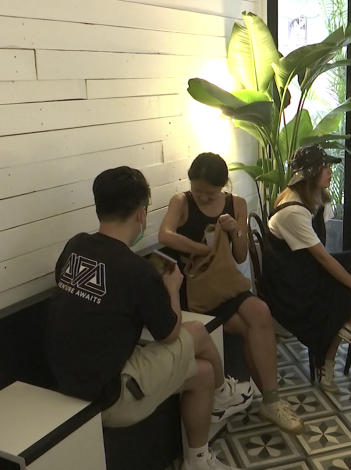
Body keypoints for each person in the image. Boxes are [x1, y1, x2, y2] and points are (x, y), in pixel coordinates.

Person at [46, 167, 245, 470]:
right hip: (111, 395)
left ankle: (198, 460)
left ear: (99, 207)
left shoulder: (75, 246)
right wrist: (172, 288)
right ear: (141, 213)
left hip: (66, 377)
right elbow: (170, 333)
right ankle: (225, 394)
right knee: (198, 333)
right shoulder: (135, 270)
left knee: (202, 372)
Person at [158, 152, 303, 433]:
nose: (201, 197)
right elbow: (165, 235)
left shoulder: (236, 203)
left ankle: (271, 399)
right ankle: (263, 398)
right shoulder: (181, 202)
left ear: (223, 185)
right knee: (251, 328)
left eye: (209, 193)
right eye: (196, 190)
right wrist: (199, 248)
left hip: (225, 285)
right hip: (193, 290)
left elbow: (239, 256)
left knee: (260, 312)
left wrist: (236, 229)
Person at [263, 144, 351, 391]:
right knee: (346, 288)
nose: (330, 171)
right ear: (310, 174)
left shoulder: (314, 200)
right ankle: (344, 347)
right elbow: (322, 258)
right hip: (289, 291)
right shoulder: (293, 211)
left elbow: (321, 254)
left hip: (302, 274)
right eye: (325, 167)